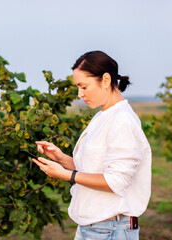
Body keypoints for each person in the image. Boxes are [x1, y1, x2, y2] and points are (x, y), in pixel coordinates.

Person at [32, 51, 152, 240]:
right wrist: (61, 158)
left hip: (111, 229)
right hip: (95, 228)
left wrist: (65, 175)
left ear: (105, 80)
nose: (80, 94)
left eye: (84, 86)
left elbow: (116, 181)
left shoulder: (122, 121)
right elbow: (93, 169)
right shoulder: (103, 116)